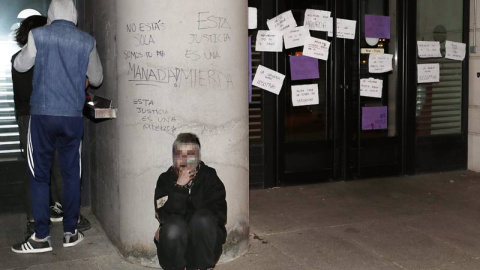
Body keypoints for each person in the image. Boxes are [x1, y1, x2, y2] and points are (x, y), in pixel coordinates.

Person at [11, 0, 103, 254]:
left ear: (50, 15)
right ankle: (70, 232)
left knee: (39, 174)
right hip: (72, 117)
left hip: (42, 115)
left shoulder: (38, 35)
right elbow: (97, 78)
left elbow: (21, 66)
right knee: (72, 173)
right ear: (74, 16)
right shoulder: (87, 40)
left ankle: (41, 237)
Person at [154, 133, 227, 270]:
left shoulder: (209, 176)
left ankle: (203, 268)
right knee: (173, 227)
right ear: (173, 157)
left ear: (198, 158)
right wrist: (179, 188)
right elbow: (163, 215)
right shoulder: (165, 179)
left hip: (203, 249)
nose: (185, 159)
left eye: (190, 154)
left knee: (203, 219)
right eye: (179, 154)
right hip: (175, 251)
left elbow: (218, 215)